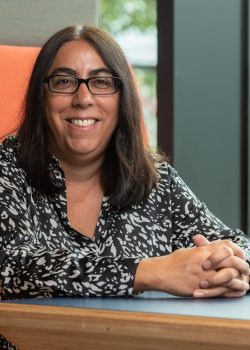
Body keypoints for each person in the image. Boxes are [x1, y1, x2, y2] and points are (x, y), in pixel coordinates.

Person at [0, 24, 249, 303]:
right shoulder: (6, 170)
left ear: (123, 100)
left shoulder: (157, 180)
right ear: (41, 96)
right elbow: (11, 267)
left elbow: (233, 243)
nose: (83, 99)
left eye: (102, 82)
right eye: (64, 82)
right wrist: (151, 272)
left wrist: (233, 268)